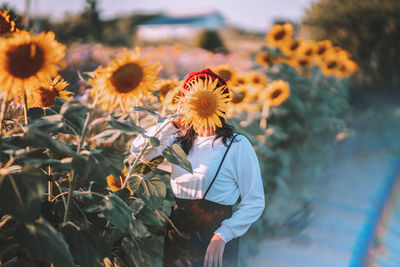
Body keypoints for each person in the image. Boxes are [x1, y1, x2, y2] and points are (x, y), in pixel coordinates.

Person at [130, 68, 265, 267]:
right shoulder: (177, 143)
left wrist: (223, 234)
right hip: (178, 233)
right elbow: (138, 150)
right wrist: (173, 123)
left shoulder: (236, 145)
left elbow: (255, 201)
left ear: (220, 104)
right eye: (193, 99)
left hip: (216, 237)